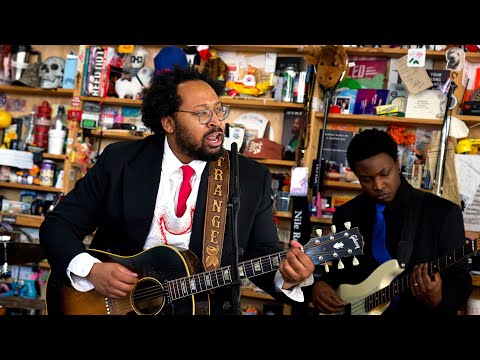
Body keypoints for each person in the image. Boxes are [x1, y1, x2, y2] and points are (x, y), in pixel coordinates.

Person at [39, 65, 314, 315]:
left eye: (219, 110)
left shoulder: (250, 178)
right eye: (202, 113)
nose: (216, 122)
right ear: (168, 123)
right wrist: (91, 270)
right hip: (111, 306)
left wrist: (287, 276)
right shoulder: (120, 161)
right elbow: (59, 224)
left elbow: (262, 256)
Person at [310, 128, 472, 315]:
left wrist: (438, 300)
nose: (378, 186)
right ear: (355, 174)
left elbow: (461, 280)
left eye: (384, 174)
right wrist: (320, 284)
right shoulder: (346, 215)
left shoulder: (442, 213)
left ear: (396, 163)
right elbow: (339, 270)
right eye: (366, 179)